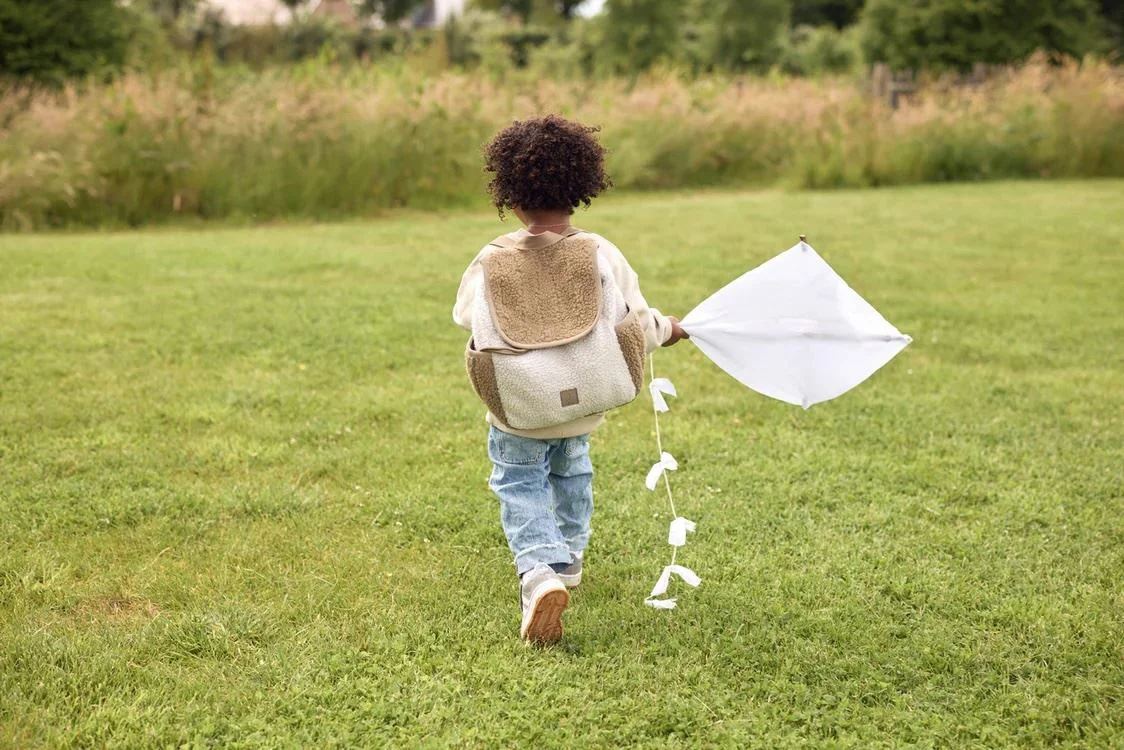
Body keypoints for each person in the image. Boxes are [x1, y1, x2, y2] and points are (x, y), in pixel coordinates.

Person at [453, 115, 688, 645]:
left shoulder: (492, 259)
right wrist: (670, 330)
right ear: (581, 190)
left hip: (519, 404)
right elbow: (636, 319)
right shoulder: (600, 253)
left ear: (510, 197)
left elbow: (465, 315)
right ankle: (570, 555)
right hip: (587, 396)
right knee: (572, 466)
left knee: (519, 480)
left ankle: (539, 573)